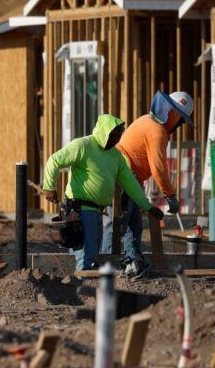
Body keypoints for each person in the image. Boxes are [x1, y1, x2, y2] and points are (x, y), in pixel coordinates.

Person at [42, 113, 163, 271]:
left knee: (91, 256)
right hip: (81, 211)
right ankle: (82, 290)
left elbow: (131, 184)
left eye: (118, 136)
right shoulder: (83, 146)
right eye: (112, 135)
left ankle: (83, 289)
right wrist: (49, 187)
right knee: (86, 257)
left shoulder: (116, 156)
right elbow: (54, 160)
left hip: (97, 211)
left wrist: (147, 206)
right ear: (103, 131)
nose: (115, 139)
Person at [116, 90, 194, 276]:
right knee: (123, 223)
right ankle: (123, 265)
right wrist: (171, 196)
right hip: (124, 178)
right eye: (181, 120)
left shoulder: (147, 121)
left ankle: (130, 263)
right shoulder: (157, 131)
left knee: (130, 222)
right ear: (172, 113)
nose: (179, 125)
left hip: (126, 176)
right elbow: (159, 168)